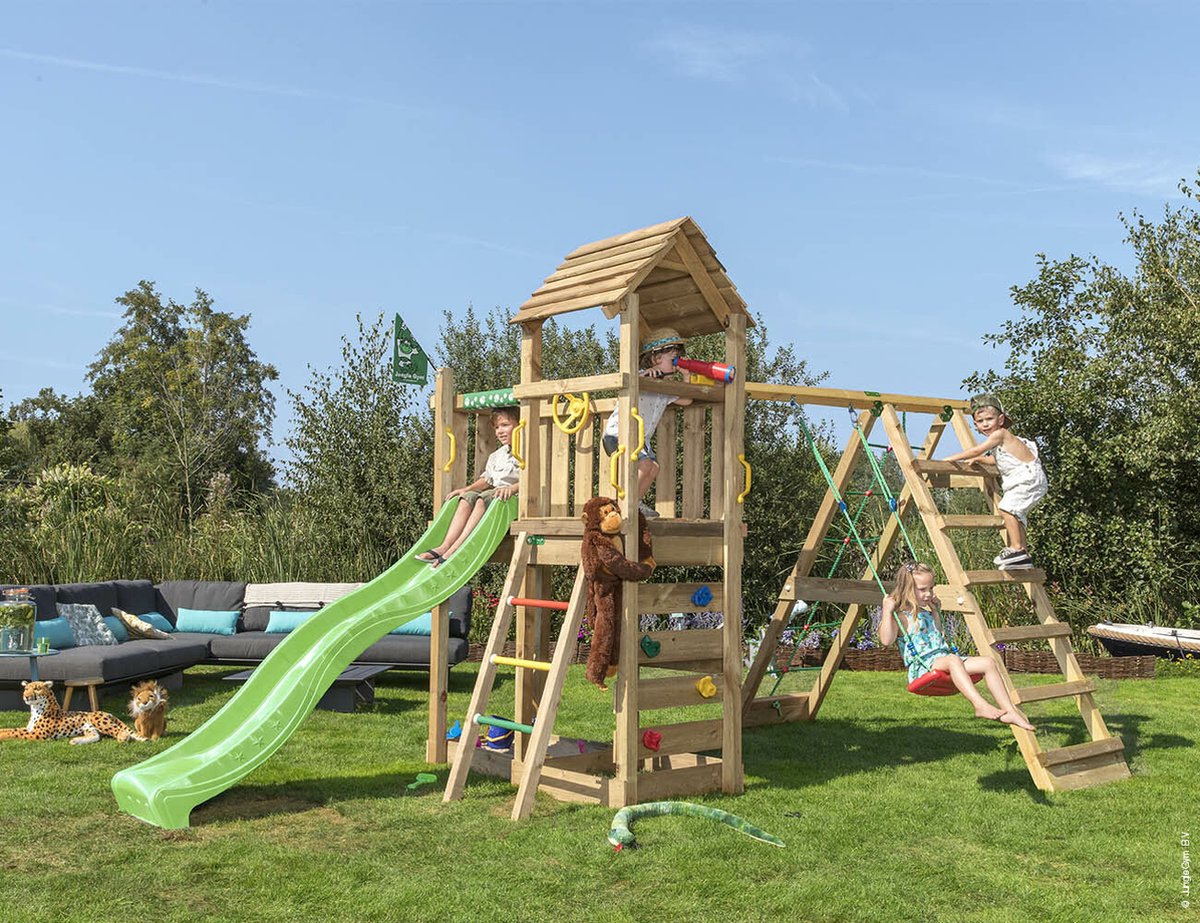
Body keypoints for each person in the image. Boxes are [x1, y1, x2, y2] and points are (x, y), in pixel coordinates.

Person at [879, 562, 1035, 730]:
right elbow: (886, 640)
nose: (928, 594)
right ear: (906, 588)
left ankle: (1010, 711)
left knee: (988, 662)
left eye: (931, 588)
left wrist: (936, 613)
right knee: (953, 659)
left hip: (944, 659)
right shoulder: (900, 615)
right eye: (922, 589)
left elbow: (936, 636)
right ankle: (979, 705)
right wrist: (887, 612)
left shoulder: (926, 612)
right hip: (923, 665)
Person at [943, 393, 1048, 570]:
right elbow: (994, 460)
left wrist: (952, 459)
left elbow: (977, 450)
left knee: (1007, 508)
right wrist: (980, 461)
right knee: (1016, 515)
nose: (985, 424)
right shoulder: (1002, 444)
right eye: (980, 421)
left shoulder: (1000, 435)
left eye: (989, 419)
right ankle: (1023, 553)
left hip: (1028, 479)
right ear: (976, 425)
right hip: (1027, 480)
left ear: (1000, 419)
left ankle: (1016, 548)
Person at [601, 326, 693, 519]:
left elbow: (687, 400)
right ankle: (622, 505)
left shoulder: (665, 388)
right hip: (620, 433)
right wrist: (649, 373)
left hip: (640, 439)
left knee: (654, 467)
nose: (676, 365)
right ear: (656, 358)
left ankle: (635, 503)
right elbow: (630, 381)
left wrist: (686, 376)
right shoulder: (642, 376)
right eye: (672, 360)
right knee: (644, 466)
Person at [417, 406, 520, 568]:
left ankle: (456, 548)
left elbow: (534, 479)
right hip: (495, 497)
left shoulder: (528, 451)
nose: (500, 431)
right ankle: (445, 545)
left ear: (520, 425)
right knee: (468, 498)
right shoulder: (497, 455)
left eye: (505, 425)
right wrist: (466, 489)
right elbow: (487, 479)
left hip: (513, 501)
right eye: (497, 427)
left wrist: (513, 488)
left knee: (482, 499)